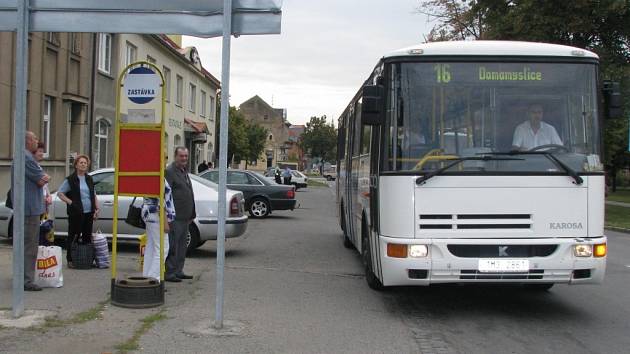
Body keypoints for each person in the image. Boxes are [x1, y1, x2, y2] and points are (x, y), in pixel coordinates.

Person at [11, 131, 50, 291]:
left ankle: (21, 278)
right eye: (34, 139)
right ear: (27, 141)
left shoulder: (22, 157)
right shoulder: (27, 158)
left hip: (26, 207)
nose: (37, 141)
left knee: (24, 245)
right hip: (29, 209)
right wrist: (45, 177)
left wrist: (44, 178)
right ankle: (26, 281)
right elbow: (42, 179)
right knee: (29, 246)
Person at [57, 155, 99, 268]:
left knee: (87, 236)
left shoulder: (89, 178)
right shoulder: (70, 179)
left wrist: (96, 208)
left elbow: (93, 194)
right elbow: (60, 193)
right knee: (74, 235)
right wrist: (71, 203)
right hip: (76, 212)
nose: (83, 164)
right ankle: (70, 259)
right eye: (81, 162)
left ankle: (86, 259)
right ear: (76, 165)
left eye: (85, 163)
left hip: (88, 212)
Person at [165, 147, 196, 282]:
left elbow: (189, 192)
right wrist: (167, 215)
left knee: (182, 246)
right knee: (173, 245)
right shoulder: (170, 172)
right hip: (175, 216)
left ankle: (179, 270)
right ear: (175, 156)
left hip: (186, 217)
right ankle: (170, 272)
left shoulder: (184, 171)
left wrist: (192, 213)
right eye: (181, 156)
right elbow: (166, 194)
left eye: (186, 156)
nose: (184, 158)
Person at [142, 179, 175, 281]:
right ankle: (152, 279)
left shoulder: (148, 174)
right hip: (157, 214)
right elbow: (161, 201)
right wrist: (165, 221)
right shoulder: (158, 175)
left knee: (151, 248)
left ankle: (146, 276)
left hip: (148, 213)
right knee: (162, 249)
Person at [34, 142, 54, 246]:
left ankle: (44, 256)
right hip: (36, 207)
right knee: (38, 234)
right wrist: (47, 178)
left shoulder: (39, 167)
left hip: (43, 207)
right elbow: (42, 181)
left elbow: (45, 186)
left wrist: (49, 195)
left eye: (43, 151)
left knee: (46, 232)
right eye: (40, 151)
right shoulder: (32, 166)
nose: (42, 153)